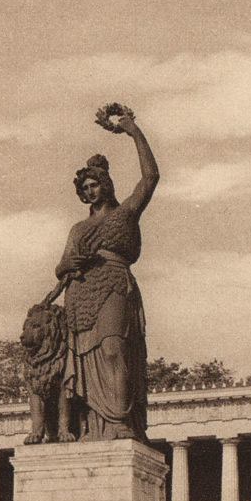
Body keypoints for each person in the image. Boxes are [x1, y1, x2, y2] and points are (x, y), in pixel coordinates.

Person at [49, 108, 158, 441]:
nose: (91, 191)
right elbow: (61, 266)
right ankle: (95, 426)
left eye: (96, 184)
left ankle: (120, 420)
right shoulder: (79, 228)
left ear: (106, 185)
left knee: (113, 349)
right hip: (80, 294)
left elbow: (151, 177)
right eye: (86, 187)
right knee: (82, 362)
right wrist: (71, 264)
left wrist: (133, 132)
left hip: (113, 283)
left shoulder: (126, 213)